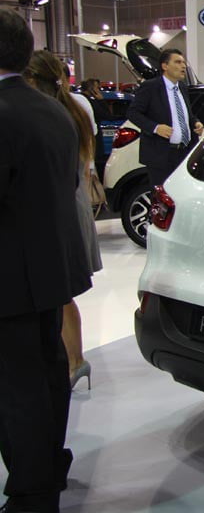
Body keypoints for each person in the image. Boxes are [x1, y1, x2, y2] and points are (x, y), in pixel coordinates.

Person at [0, 9, 91, 513]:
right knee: (47, 374)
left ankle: (32, 493)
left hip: (10, 276)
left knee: (18, 388)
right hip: (48, 268)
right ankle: (49, 469)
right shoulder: (55, 110)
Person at [23, 51, 101, 390]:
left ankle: (74, 361)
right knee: (63, 293)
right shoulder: (74, 110)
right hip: (74, 202)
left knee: (60, 293)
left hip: (60, 207)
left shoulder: (50, 115)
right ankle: (73, 359)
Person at [126, 49, 203, 187]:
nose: (183, 66)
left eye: (183, 62)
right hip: (161, 155)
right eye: (178, 62)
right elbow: (133, 113)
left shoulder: (182, 88)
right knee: (162, 195)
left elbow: (186, 114)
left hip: (184, 152)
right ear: (165, 66)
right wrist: (155, 128)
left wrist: (196, 122)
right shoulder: (150, 87)